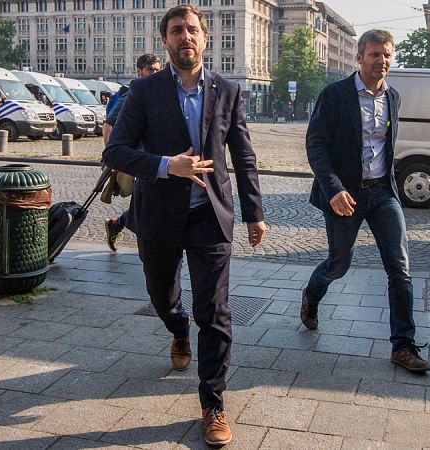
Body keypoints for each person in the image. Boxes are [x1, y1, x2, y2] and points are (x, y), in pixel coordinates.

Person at [103, 5, 266, 446]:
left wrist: (254, 213)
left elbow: (244, 156)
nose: (185, 37)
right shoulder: (143, 91)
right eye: (177, 31)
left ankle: (213, 403)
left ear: (205, 39)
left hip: (210, 215)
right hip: (158, 215)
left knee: (214, 312)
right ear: (166, 41)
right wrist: (164, 165)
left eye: (192, 29)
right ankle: (177, 329)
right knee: (162, 298)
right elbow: (114, 151)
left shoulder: (228, 91)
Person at [301, 29, 430, 373]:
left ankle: (402, 345)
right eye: (375, 54)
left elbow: (383, 147)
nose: (382, 61)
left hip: (383, 192)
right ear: (359, 57)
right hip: (346, 195)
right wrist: (333, 189)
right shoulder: (334, 95)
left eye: (387, 54)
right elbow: (316, 145)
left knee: (400, 268)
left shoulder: (393, 97)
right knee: (338, 264)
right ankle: (312, 295)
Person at [102, 53, 162, 251]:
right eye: (150, 70)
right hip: (136, 162)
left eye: (157, 70)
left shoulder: (156, 92)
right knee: (146, 207)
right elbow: (108, 125)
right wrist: (114, 156)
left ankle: (117, 225)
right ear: (139, 71)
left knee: (145, 206)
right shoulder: (132, 94)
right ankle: (147, 248)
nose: (154, 73)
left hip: (153, 160)